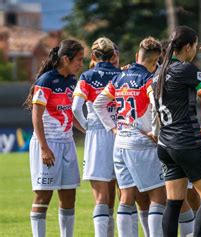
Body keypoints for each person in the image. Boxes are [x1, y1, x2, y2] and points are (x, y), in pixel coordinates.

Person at [154, 26, 201, 237]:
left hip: (165, 144)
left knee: (174, 202)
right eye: (194, 47)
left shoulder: (159, 73)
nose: (195, 51)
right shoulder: (184, 69)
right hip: (187, 142)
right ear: (187, 47)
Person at [93, 37, 166, 237]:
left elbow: (98, 103)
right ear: (155, 62)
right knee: (158, 197)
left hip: (120, 142)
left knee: (126, 197)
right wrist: (156, 133)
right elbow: (157, 107)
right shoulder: (149, 80)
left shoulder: (119, 78)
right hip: (141, 144)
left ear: (137, 56)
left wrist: (113, 128)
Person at [24, 39, 85, 237]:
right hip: (47, 143)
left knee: (69, 196)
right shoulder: (46, 81)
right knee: (43, 195)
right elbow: (36, 116)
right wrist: (43, 147)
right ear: (65, 59)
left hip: (67, 144)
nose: (80, 64)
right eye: (78, 59)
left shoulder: (72, 81)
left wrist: (86, 129)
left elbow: (70, 113)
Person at [72, 37, 121, 237]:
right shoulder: (122, 75)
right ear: (114, 55)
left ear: (93, 56)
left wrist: (87, 127)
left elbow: (75, 108)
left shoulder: (86, 76)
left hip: (97, 135)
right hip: (120, 133)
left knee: (101, 197)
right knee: (123, 195)